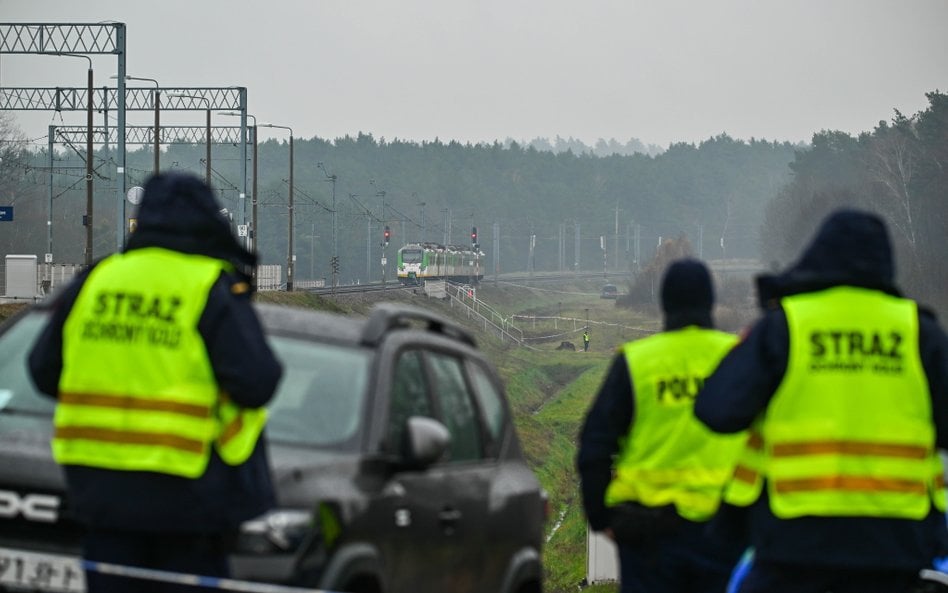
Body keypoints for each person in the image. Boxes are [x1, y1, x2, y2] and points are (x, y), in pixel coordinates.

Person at [28, 172, 284, 593]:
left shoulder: (98, 279)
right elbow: (257, 381)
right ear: (206, 219)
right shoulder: (208, 285)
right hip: (185, 499)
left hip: (99, 494)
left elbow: (42, 370)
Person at [694, 209, 948, 593]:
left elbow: (717, 410)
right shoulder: (921, 333)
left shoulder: (785, 326)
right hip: (896, 549)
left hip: (794, 546)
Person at [577, 258, 747, 593]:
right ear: (711, 302)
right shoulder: (738, 357)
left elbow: (595, 444)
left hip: (647, 538)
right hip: (726, 530)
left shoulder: (636, 361)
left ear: (664, 303)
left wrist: (601, 518)